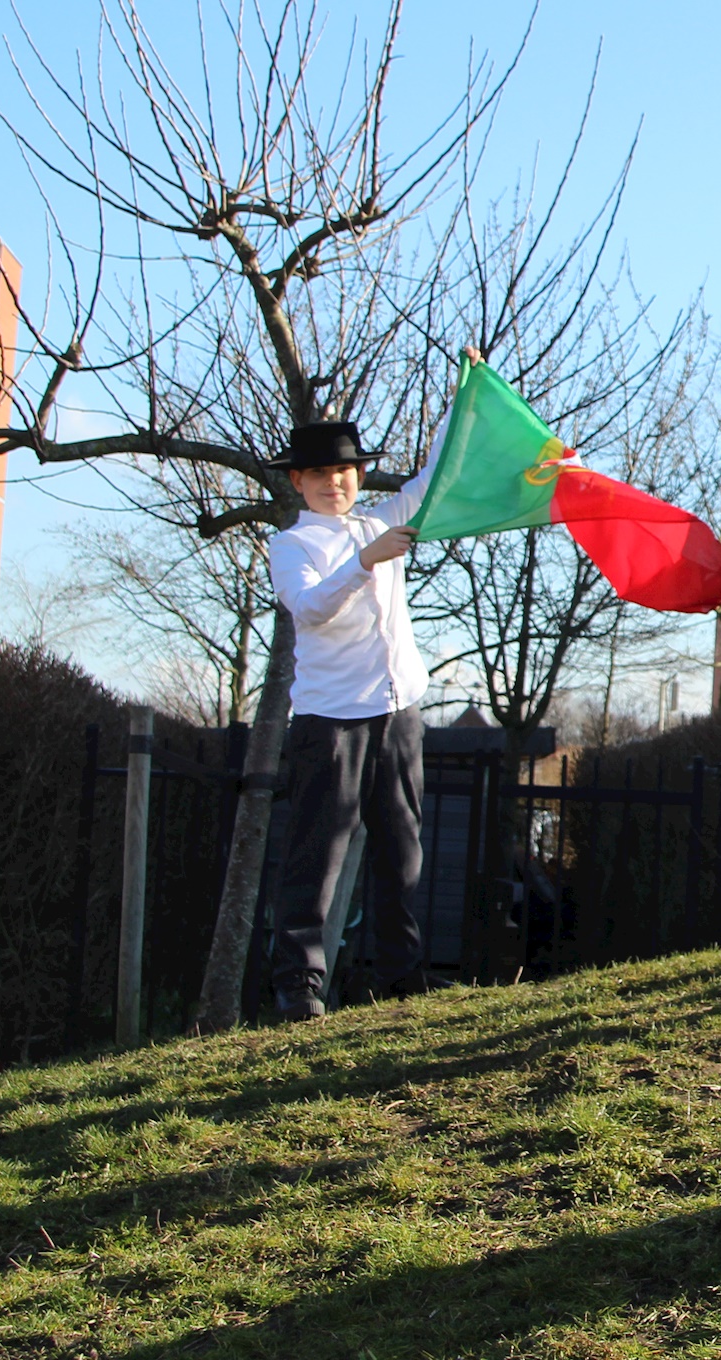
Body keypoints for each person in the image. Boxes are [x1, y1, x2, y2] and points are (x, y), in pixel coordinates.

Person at [264, 380, 460, 1022]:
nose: (334, 483)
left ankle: (402, 982)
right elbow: (310, 610)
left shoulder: (382, 520)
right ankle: (300, 988)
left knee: (402, 849)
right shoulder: (292, 546)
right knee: (317, 854)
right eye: (320, 474)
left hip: (399, 712)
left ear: (360, 474)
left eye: (344, 472)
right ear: (299, 481)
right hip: (331, 723)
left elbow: (437, 477)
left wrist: (465, 397)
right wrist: (364, 563)